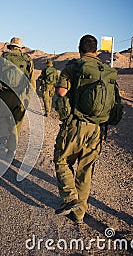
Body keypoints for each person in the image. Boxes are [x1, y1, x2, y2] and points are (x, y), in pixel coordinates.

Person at [53, 34, 120, 224]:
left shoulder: (73, 67)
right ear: (96, 50)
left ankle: (70, 198)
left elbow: (61, 92)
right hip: (98, 129)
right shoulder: (106, 71)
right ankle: (80, 214)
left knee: (62, 159)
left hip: (76, 125)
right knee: (85, 170)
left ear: (79, 49)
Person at [0, 37, 36, 159]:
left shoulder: (5, 57)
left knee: (3, 120)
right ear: (20, 48)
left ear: (11, 47)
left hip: (5, 95)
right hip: (20, 97)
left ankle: (1, 146)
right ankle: (11, 152)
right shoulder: (27, 60)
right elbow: (32, 82)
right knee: (16, 124)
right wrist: (27, 97)